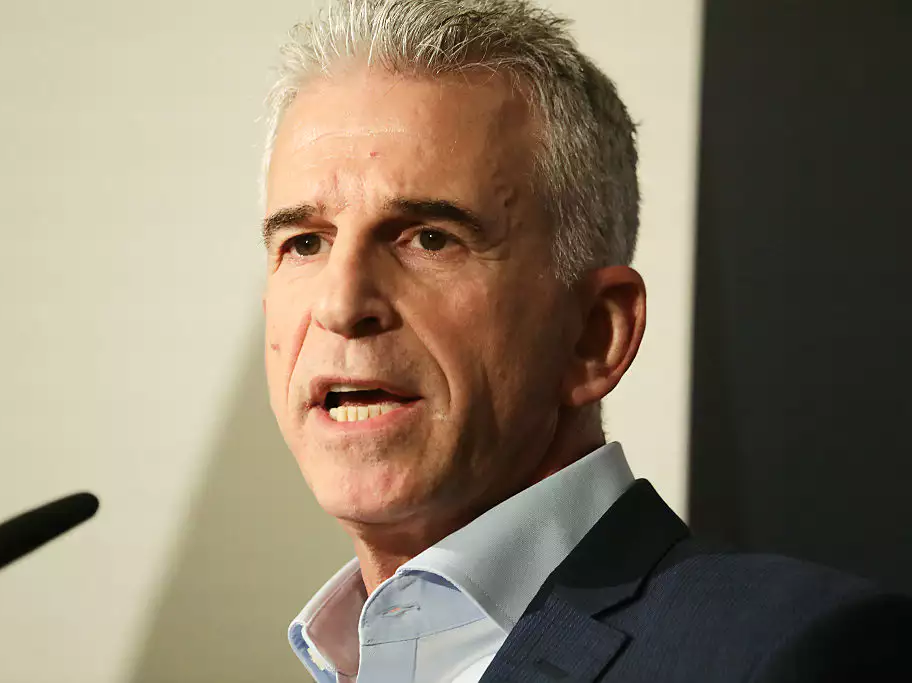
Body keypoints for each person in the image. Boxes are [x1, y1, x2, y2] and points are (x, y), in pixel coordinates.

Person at [259, 1, 912, 681]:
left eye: (430, 238)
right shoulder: (340, 655)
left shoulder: (796, 652)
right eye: (304, 243)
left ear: (596, 334)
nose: (341, 305)